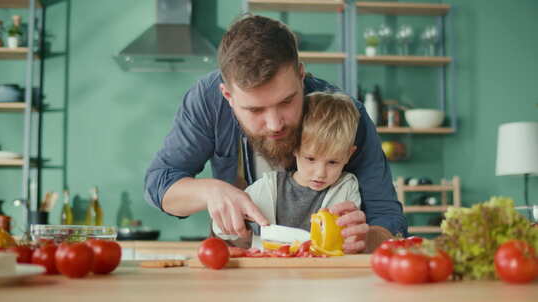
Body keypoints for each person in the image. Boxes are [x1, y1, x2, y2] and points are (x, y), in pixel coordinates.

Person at [144, 14, 407, 253]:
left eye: (286, 101)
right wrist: (210, 191)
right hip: (242, 262)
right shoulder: (207, 101)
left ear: (301, 76)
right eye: (255, 109)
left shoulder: (344, 116)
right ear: (228, 96)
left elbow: (388, 219)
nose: (274, 124)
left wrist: (367, 238)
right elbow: (159, 184)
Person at [213, 92, 363, 250]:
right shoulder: (268, 187)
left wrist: (351, 238)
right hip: (268, 272)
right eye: (310, 159)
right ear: (295, 148)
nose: (320, 173)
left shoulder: (347, 188)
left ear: (348, 155)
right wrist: (239, 224)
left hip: (321, 273)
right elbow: (221, 229)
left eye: (332, 162)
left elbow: (349, 240)